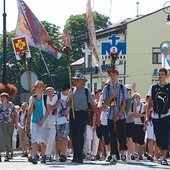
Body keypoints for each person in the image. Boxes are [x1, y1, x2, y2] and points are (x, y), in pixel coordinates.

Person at [67, 70, 100, 163]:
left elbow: (93, 105)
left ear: (82, 81)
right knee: (73, 135)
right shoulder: (72, 90)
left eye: (77, 80)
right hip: (73, 113)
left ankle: (80, 155)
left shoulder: (86, 91)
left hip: (83, 114)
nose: (75, 82)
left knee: (80, 134)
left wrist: (98, 117)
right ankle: (75, 155)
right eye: (75, 80)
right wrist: (69, 99)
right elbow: (67, 104)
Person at [102, 68, 128, 164]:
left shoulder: (122, 88)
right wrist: (111, 97)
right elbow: (105, 103)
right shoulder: (107, 88)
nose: (112, 77)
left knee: (121, 135)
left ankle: (123, 151)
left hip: (120, 116)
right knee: (112, 136)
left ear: (117, 75)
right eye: (110, 75)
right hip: (110, 115)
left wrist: (119, 114)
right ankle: (114, 154)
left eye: (113, 74)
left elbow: (125, 103)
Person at [147, 68, 170, 166]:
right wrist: (147, 117)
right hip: (156, 116)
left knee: (165, 136)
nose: (160, 76)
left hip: (166, 115)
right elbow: (149, 103)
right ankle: (161, 155)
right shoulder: (153, 87)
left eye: (162, 74)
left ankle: (164, 157)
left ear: (166, 76)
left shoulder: (169, 87)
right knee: (159, 137)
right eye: (159, 74)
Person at [27, 80, 50, 164]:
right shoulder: (32, 98)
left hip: (43, 121)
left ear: (43, 88)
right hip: (35, 121)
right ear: (35, 88)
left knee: (43, 140)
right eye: (37, 86)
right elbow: (30, 111)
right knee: (34, 139)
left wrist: (43, 120)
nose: (39, 88)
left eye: (41, 86)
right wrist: (31, 104)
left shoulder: (45, 97)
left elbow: (48, 111)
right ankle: (34, 155)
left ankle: (43, 156)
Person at [50, 83, 70, 162]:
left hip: (66, 120)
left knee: (64, 138)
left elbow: (72, 107)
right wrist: (58, 103)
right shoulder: (57, 96)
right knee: (58, 138)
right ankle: (57, 154)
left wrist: (67, 112)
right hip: (57, 121)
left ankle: (63, 154)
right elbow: (51, 107)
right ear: (67, 89)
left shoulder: (70, 97)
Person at [0, 92, 18, 162]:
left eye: (4, 98)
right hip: (1, 123)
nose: (2, 99)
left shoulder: (11, 105)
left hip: (9, 123)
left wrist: (16, 123)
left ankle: (8, 154)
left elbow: (15, 114)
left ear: (7, 99)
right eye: (1, 98)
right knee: (1, 138)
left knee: (8, 138)